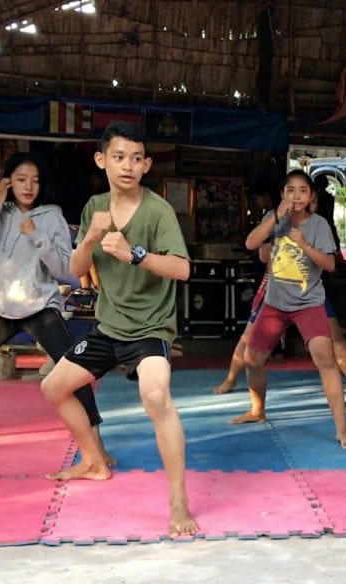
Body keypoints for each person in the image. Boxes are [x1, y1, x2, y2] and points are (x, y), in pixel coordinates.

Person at [40, 122, 198, 537]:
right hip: (108, 328)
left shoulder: (158, 211)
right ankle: (94, 461)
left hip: (149, 329)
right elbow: (76, 271)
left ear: (146, 165)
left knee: (156, 394)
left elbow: (182, 269)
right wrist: (89, 239)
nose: (127, 165)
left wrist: (136, 254)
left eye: (135, 158)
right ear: (102, 160)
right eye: (118, 156)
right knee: (53, 387)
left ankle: (178, 501)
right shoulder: (95, 207)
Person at [0, 153, 107, 458]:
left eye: (35, 180)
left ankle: (96, 441)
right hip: (3, 308)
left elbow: (65, 268)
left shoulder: (52, 215)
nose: (29, 186)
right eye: (20, 179)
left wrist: (37, 236)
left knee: (74, 372)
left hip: (41, 307)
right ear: (7, 182)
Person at [228, 169, 346, 450]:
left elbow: (330, 265)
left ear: (311, 196)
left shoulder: (319, 224)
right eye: (290, 190)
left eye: (302, 190)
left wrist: (305, 245)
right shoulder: (274, 219)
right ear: (282, 195)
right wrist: (276, 216)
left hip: (308, 302)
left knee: (325, 358)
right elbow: (251, 244)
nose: (296, 195)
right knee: (253, 359)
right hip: (275, 302)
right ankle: (257, 410)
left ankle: (341, 428)